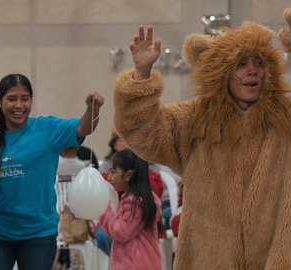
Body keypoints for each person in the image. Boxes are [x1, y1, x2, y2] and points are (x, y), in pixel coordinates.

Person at [113, 10, 291, 268]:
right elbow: (142, 131)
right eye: (241, 64)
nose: (253, 71)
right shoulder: (193, 122)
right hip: (208, 259)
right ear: (222, 73)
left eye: (260, 63)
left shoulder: (285, 118)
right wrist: (142, 74)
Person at [0, 73, 104, 270]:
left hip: (38, 233)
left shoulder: (46, 129)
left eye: (25, 99)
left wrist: (92, 109)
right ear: (0, 103)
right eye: (12, 99)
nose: (19, 105)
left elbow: (83, 128)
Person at [98, 148, 163, 270]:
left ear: (128, 175)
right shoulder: (142, 198)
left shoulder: (134, 202)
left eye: (113, 172)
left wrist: (105, 211)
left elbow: (120, 231)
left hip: (133, 265)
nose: (109, 178)